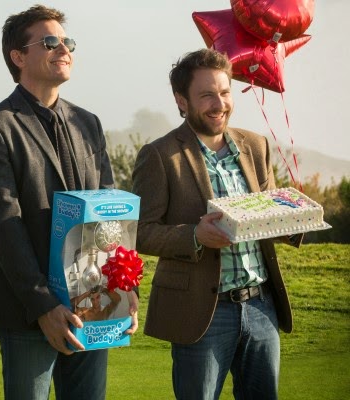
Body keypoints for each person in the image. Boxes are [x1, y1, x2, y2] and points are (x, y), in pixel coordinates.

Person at [0, 4, 138, 399]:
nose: (64, 50)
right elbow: (5, 226)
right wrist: (44, 306)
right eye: (49, 42)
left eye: (67, 42)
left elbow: (109, 213)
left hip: (93, 304)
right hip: (28, 312)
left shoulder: (88, 123)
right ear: (18, 56)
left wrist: (123, 286)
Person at [132, 48, 302, 400]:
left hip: (261, 306)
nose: (219, 104)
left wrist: (291, 219)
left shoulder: (256, 146)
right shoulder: (160, 155)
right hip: (202, 314)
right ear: (182, 101)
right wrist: (195, 236)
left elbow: (266, 213)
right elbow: (140, 232)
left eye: (225, 92)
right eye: (207, 95)